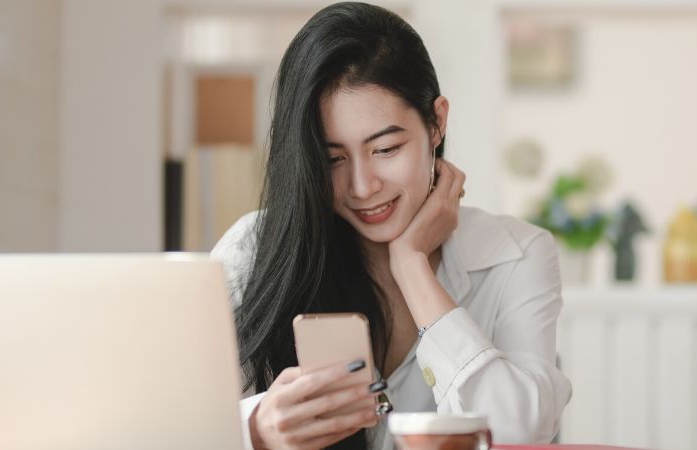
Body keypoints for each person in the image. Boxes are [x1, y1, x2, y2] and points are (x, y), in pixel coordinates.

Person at [210, 3, 572, 450]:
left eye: (385, 149)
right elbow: (165, 424)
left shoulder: (515, 254)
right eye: (332, 159)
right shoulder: (254, 249)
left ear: (436, 123)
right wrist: (254, 429)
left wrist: (412, 266)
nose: (362, 187)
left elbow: (521, 430)